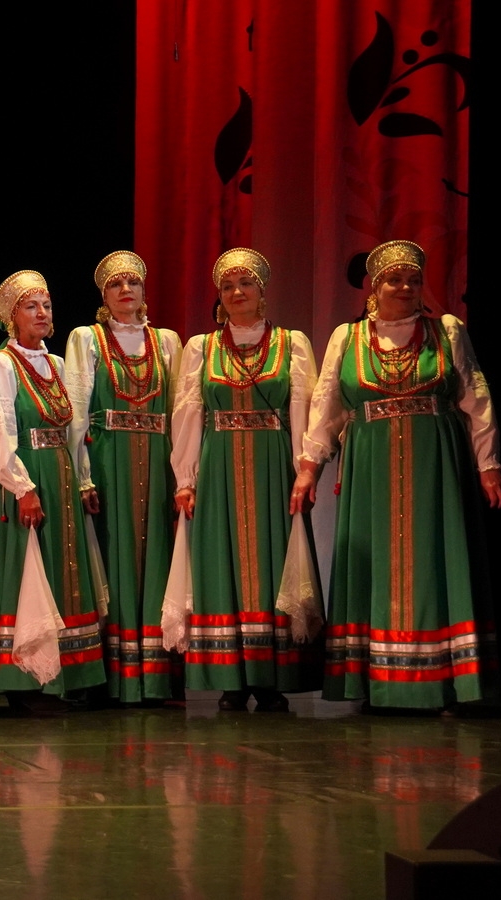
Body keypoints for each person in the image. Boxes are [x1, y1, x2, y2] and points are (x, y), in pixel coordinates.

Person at [295, 240, 501, 712]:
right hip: (371, 466)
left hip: (436, 464)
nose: (405, 287)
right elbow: (327, 406)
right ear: (374, 286)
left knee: (435, 559)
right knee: (373, 563)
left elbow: (476, 399)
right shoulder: (348, 338)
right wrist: (309, 468)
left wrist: (488, 463)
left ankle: (444, 682)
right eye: (394, 279)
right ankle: (375, 681)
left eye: (413, 280)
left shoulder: (446, 331)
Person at [170, 249, 319, 711]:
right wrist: (185, 478)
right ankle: (230, 678)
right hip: (218, 469)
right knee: (220, 563)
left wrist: (304, 469)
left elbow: (303, 408)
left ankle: (271, 678)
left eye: (246, 283)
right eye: (228, 286)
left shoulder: (291, 343)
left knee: (273, 561)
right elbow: (189, 413)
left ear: (262, 290)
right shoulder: (202, 347)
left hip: (273, 466)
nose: (237, 292)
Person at [0, 271, 106, 709]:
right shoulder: (0, 364)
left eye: (47, 306)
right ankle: (27, 680)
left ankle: (71, 673)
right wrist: (22, 487)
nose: (41, 313)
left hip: (59, 474)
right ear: (11, 317)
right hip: (27, 474)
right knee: (28, 567)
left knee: (63, 568)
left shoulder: (56, 366)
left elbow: (72, 430)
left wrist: (81, 479)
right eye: (30, 306)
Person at [64, 252, 183, 704]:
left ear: (144, 290)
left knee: (158, 556)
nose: (125, 290)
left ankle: (155, 676)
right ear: (104, 295)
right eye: (115, 284)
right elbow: (76, 411)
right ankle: (110, 678)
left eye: (132, 282)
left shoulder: (167, 342)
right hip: (108, 460)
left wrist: (182, 475)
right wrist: (82, 477)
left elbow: (181, 410)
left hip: (157, 462)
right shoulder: (87, 339)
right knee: (108, 555)